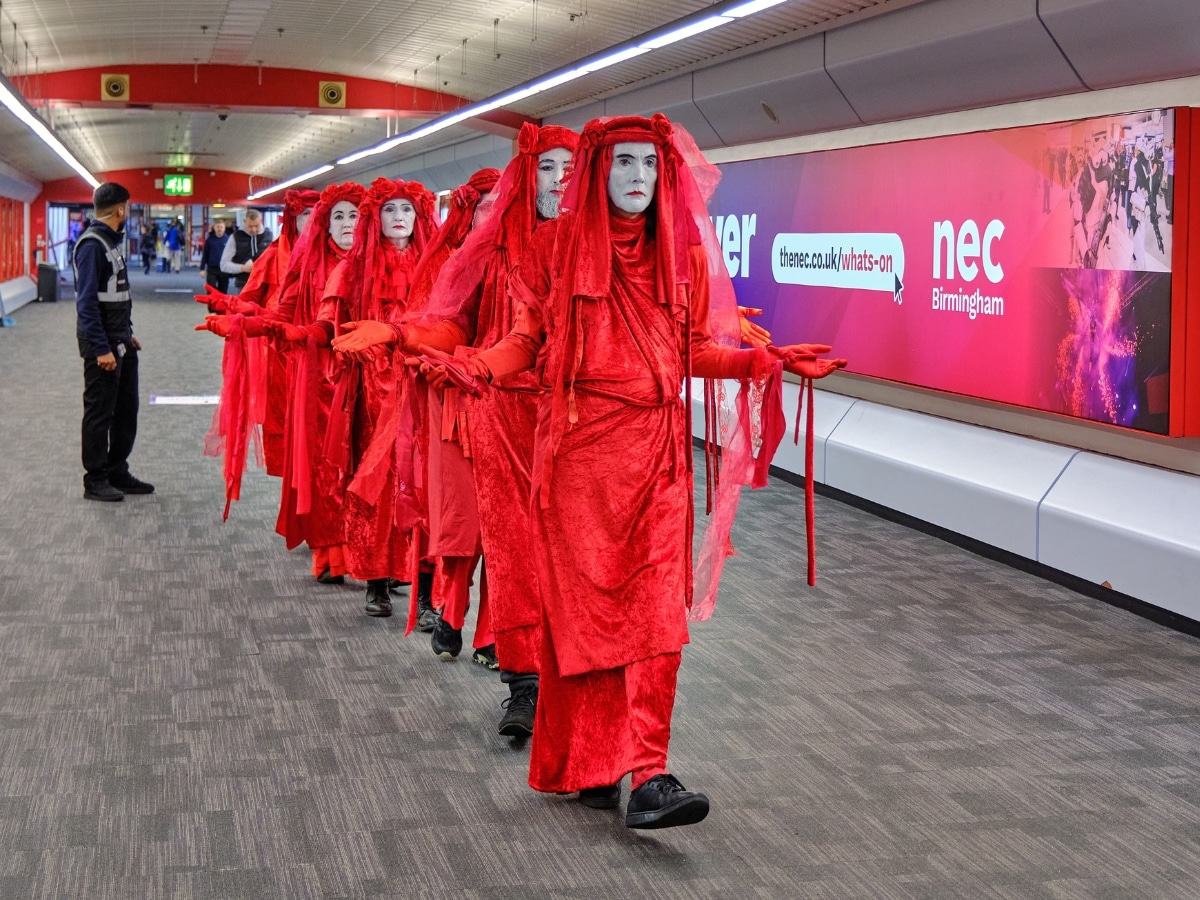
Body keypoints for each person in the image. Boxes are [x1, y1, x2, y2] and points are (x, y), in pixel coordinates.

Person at [432, 114, 844, 828]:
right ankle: (596, 761)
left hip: (655, 461)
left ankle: (651, 771)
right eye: (624, 163)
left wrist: (763, 361)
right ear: (596, 170)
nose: (637, 178)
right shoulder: (554, 250)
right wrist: (474, 366)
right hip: (580, 466)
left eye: (649, 166)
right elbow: (526, 341)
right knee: (589, 624)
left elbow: (690, 350)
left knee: (657, 619)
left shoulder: (676, 254)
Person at [74, 182, 155, 502]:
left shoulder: (110, 241)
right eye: (128, 207)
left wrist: (126, 331)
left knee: (125, 410)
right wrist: (101, 347)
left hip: (120, 338)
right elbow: (87, 304)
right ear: (120, 209)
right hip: (102, 345)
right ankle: (94, 478)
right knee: (99, 412)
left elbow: (116, 296)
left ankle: (116, 469)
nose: (129, 212)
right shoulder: (92, 245)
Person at [220, 209, 273, 292]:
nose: (254, 230)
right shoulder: (235, 237)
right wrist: (242, 268)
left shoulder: (269, 236)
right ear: (244, 222)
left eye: (257, 226)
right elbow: (223, 265)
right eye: (250, 226)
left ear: (261, 220)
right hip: (244, 284)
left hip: (265, 283)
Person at [200, 220, 231, 296]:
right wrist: (202, 268)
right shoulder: (210, 240)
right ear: (214, 228)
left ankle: (221, 307)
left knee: (223, 290)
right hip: (212, 268)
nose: (219, 229)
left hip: (224, 269)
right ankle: (212, 307)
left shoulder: (228, 240)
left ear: (224, 228)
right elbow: (205, 254)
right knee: (211, 289)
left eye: (221, 227)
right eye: (217, 227)